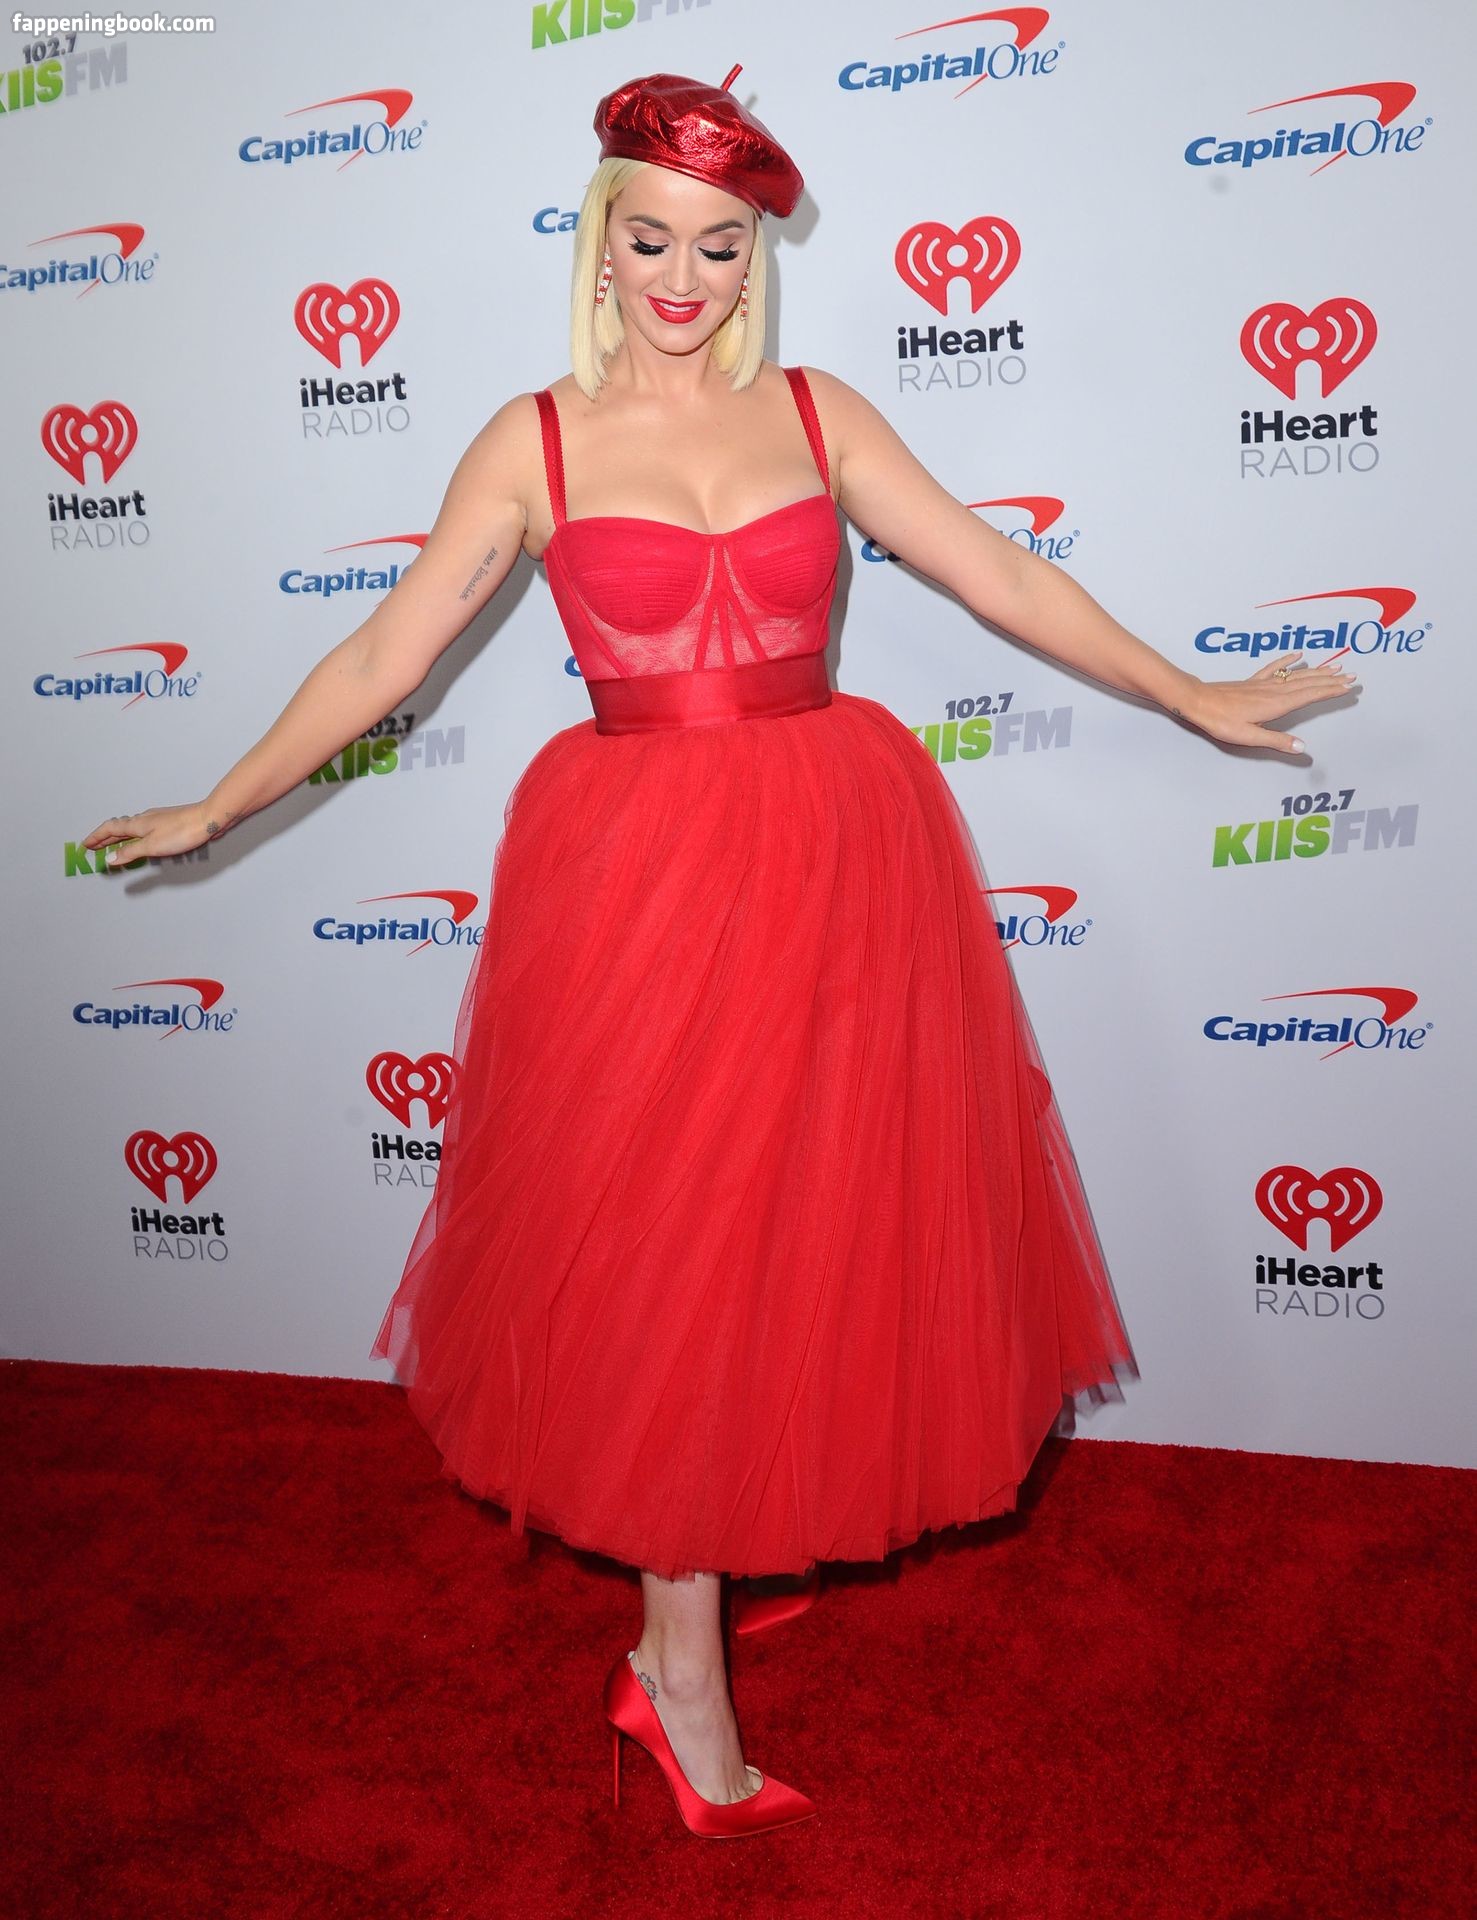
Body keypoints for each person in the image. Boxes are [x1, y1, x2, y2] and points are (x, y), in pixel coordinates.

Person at [81, 68, 1359, 1839]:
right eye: (651, 240)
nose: (682, 278)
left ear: (758, 257)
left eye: (719, 246)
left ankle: (704, 1563)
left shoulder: (818, 415)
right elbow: (383, 657)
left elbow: (997, 576)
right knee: (662, 1245)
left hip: (835, 853)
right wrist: (219, 806)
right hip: (633, 885)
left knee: (791, 1227)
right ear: (597, 245)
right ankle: (674, 1669)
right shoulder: (531, 443)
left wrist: (1188, 692)